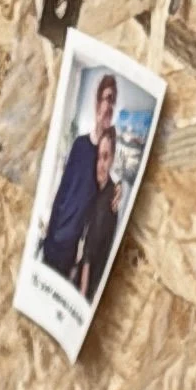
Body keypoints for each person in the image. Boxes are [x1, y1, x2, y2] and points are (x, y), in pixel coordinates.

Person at [38, 72, 118, 284]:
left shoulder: (106, 159)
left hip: (72, 249)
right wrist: (50, 230)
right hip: (55, 235)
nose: (110, 106)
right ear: (97, 102)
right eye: (107, 98)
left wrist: (118, 192)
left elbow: (106, 196)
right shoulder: (80, 144)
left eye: (113, 101)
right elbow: (63, 191)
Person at [71, 125, 121, 298]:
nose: (100, 164)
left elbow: (89, 256)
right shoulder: (94, 186)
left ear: (113, 158)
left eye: (106, 157)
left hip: (87, 287)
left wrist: (81, 293)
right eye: (98, 156)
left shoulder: (109, 202)